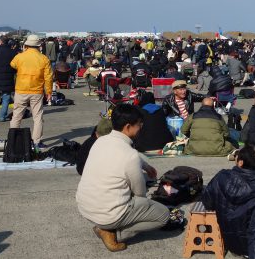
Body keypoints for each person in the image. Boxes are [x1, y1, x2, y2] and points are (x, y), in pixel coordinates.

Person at [76, 104, 181, 252]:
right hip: (109, 215)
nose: (140, 128)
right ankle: (115, 234)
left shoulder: (100, 141)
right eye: (139, 125)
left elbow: (127, 154)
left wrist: (145, 166)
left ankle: (108, 228)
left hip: (85, 207)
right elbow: (139, 193)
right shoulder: (130, 156)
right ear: (127, 127)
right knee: (163, 215)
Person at [9, 34, 53, 150]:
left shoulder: (20, 56)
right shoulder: (44, 58)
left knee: (17, 116)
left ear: (26, 45)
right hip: (36, 90)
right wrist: (48, 92)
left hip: (21, 90)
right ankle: (36, 142)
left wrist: (23, 52)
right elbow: (48, 77)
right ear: (39, 46)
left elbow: (12, 64)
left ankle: (13, 140)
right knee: (37, 117)